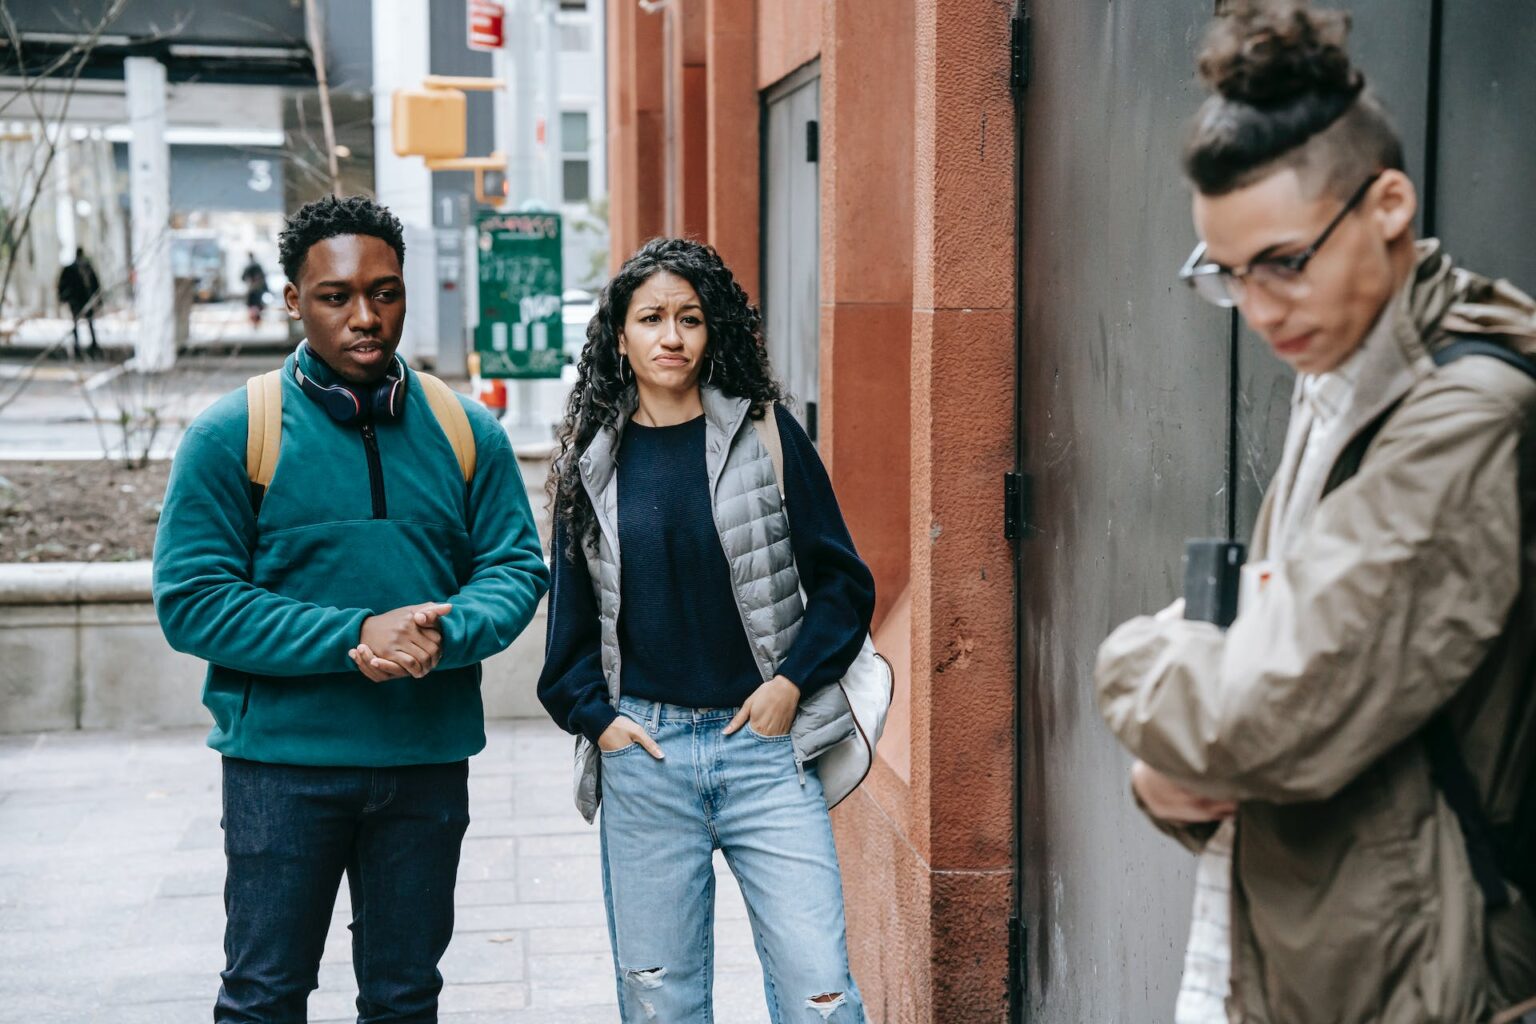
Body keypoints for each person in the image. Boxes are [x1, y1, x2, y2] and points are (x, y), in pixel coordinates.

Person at [1095, 3, 1536, 1022]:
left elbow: (1262, 712)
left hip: (1434, 979)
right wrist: (1172, 775)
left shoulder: (1464, 419)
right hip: (1336, 958)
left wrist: (1128, 662)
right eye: (1229, 275)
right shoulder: (1342, 368)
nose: (1261, 310)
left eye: (1284, 262)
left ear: (1388, 204)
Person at [153, 194, 550, 1023]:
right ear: (294, 300)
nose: (365, 316)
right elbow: (193, 601)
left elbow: (514, 567)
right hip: (283, 769)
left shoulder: (466, 428)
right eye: (336, 296)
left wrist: (441, 634)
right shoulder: (235, 433)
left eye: (385, 292)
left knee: (405, 999)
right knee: (264, 996)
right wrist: (355, 635)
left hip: (425, 760)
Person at [538, 237, 876, 1022]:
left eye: (689, 318)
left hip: (764, 751)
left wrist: (791, 685)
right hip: (646, 758)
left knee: (819, 994)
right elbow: (569, 635)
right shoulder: (591, 463)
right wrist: (602, 722)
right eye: (651, 317)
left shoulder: (765, 434)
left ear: (711, 329)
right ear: (618, 335)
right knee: (661, 1002)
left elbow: (843, 584)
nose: (672, 336)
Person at [56, 246, 103, 360]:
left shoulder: (86, 268)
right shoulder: (76, 268)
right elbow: (63, 285)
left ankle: (91, 345)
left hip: (83, 300)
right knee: (80, 323)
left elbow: (94, 284)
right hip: (78, 300)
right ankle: (81, 346)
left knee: (87, 323)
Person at [242, 252, 269, 329]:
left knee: (252, 305)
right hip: (257, 289)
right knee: (257, 305)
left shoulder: (248, 267)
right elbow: (264, 277)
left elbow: (243, 278)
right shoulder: (257, 266)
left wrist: (250, 281)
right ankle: (256, 321)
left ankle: (255, 321)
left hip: (252, 289)